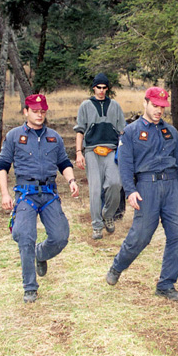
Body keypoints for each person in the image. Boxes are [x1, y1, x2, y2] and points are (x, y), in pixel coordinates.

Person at [105, 86, 178, 301]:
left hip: (172, 187)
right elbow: (125, 166)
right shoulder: (131, 132)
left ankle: (166, 284)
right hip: (146, 187)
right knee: (141, 236)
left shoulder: (171, 132)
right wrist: (131, 191)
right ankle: (118, 266)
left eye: (162, 107)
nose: (158, 111)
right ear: (145, 103)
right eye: (154, 106)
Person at [0, 94, 79, 303]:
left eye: (42, 111)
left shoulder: (54, 137)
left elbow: (64, 163)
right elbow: (2, 167)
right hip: (26, 194)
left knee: (61, 237)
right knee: (25, 235)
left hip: (49, 194)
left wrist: (71, 181)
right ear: (25, 112)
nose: (39, 115)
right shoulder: (14, 136)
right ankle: (30, 287)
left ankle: (39, 254)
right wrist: (5, 194)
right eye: (35, 111)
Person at [74, 73, 126, 240]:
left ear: (107, 88)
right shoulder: (85, 106)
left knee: (115, 183)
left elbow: (122, 131)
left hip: (111, 150)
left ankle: (108, 214)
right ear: (93, 88)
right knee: (95, 189)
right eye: (98, 87)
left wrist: (124, 152)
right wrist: (78, 153)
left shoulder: (115, 106)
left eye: (104, 88)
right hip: (91, 150)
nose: (101, 91)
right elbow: (80, 130)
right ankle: (97, 225)